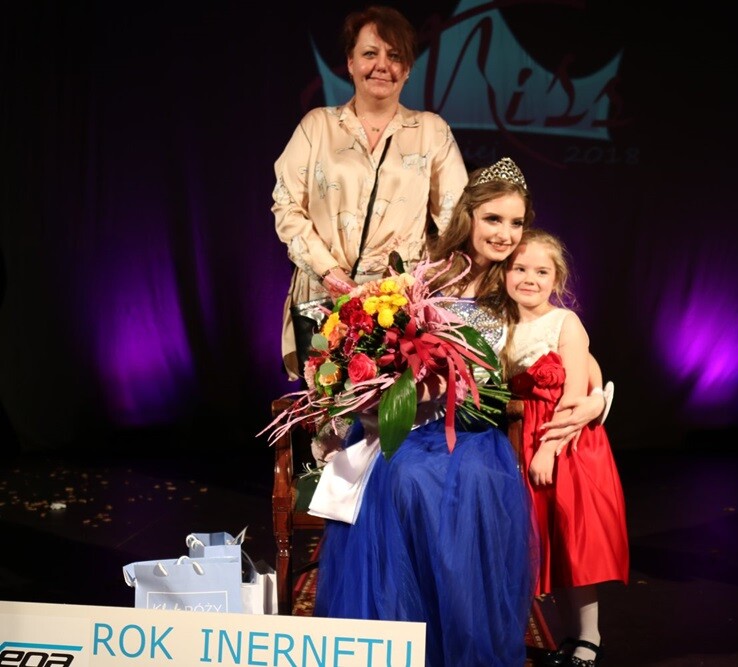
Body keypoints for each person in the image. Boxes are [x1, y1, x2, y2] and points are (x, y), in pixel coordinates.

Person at [312, 157, 608, 667]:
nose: (505, 234)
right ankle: (400, 636)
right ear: (468, 215)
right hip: (414, 418)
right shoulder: (429, 272)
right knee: (398, 475)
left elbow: (567, 339)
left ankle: (454, 638)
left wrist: (599, 394)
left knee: (447, 480)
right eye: (493, 219)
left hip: (472, 428)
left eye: (515, 222)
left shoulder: (514, 278)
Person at [271, 5, 468, 380]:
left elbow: (455, 219)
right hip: (322, 297)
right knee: (329, 404)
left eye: (395, 56)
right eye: (370, 53)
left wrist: (429, 286)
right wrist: (330, 274)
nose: (382, 65)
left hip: (396, 306)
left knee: (394, 408)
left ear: (407, 69)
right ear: (350, 62)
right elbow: (286, 205)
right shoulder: (317, 126)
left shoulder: (431, 131)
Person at [502, 228, 628, 666]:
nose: (529, 279)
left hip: (566, 443)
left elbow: (575, 392)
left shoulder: (564, 322)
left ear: (557, 279)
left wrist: (549, 449)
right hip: (522, 438)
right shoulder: (502, 324)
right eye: (519, 268)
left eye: (541, 271)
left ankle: (589, 638)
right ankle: (569, 635)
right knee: (544, 544)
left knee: (573, 541)